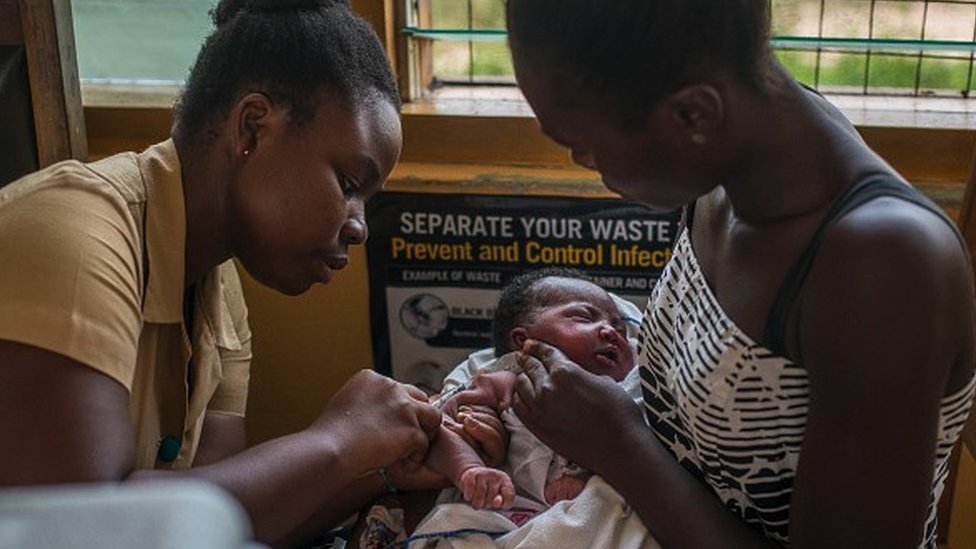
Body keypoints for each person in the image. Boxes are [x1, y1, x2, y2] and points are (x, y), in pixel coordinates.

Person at [0, 1, 502, 547]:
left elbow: (219, 521)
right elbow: (84, 532)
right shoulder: (74, 233)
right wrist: (335, 442)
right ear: (253, 127)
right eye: (349, 183)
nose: (360, 229)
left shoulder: (218, 295)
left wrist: (375, 468)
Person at [504, 1, 976, 548]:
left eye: (582, 143)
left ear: (693, 115)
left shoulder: (880, 264)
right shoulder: (722, 165)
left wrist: (621, 445)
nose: (581, 161)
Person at [426, 267, 637, 514]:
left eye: (620, 330)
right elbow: (442, 425)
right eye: (584, 318)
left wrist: (585, 475)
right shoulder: (508, 381)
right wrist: (470, 469)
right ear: (524, 342)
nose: (611, 332)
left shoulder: (630, 391)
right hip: (508, 511)